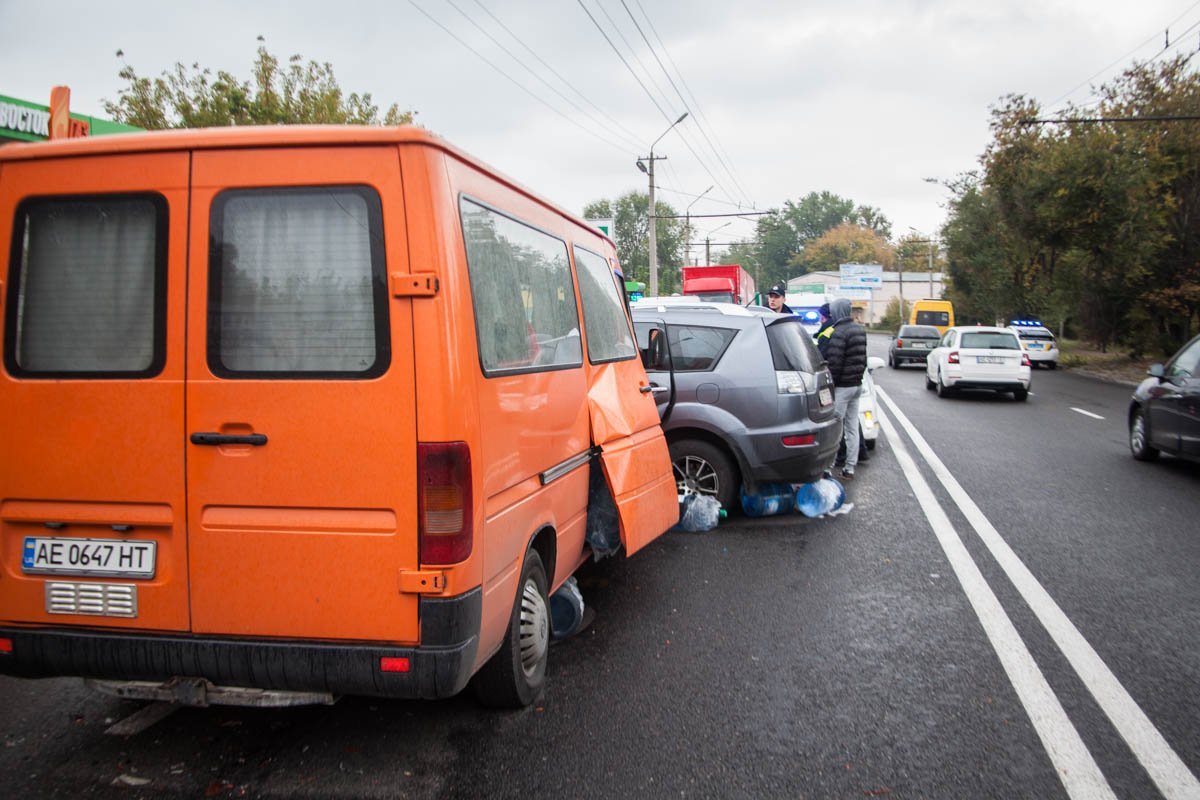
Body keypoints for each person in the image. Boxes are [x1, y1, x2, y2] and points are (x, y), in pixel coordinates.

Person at [823, 298, 867, 480]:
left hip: (842, 387)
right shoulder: (859, 329)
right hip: (856, 385)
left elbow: (834, 363)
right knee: (852, 428)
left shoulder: (838, 333)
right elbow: (862, 359)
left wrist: (830, 385)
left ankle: (828, 467)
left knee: (835, 427)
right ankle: (850, 468)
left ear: (837, 312)